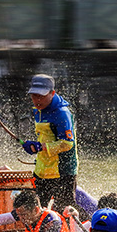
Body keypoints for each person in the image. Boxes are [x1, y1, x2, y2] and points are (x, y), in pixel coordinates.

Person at [22, 74, 79, 211]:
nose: (37, 100)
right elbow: (45, 137)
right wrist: (32, 146)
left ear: (52, 93)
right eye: (34, 96)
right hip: (42, 169)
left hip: (62, 171)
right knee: (34, 208)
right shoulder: (38, 111)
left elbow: (67, 143)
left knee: (64, 210)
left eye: (41, 96)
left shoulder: (62, 113)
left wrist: (41, 147)